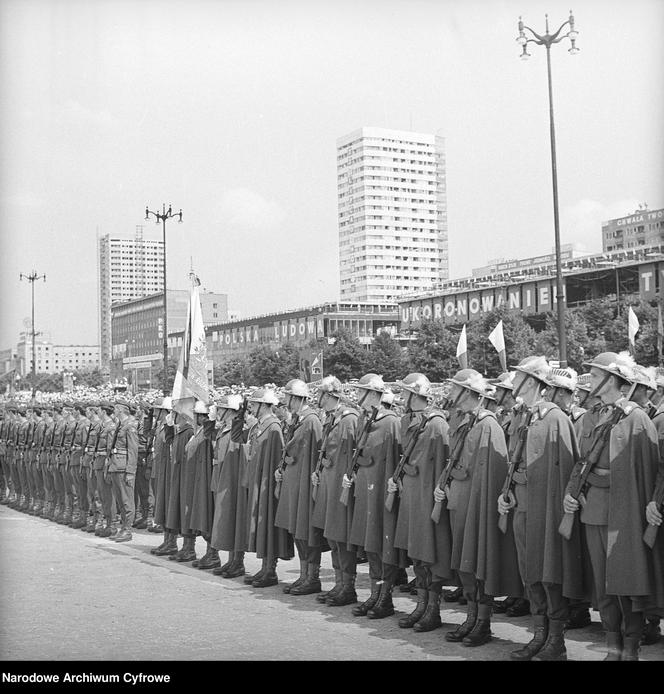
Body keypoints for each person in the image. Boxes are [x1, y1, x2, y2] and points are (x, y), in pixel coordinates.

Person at [564, 352, 664, 661]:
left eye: (595, 376)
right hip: (593, 507)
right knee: (603, 585)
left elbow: (649, 472)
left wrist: (648, 506)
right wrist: (571, 492)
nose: (590, 381)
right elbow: (581, 460)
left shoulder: (637, 419)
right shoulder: (595, 415)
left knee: (626, 582)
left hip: (626, 513)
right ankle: (613, 648)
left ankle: (631, 648)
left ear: (613, 380)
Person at [498, 355, 586, 661]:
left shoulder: (556, 418)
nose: (513, 384)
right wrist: (506, 491)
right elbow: (515, 461)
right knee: (530, 572)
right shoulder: (525, 416)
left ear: (534, 382)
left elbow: (567, 471)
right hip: (523, 505)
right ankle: (539, 634)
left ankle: (556, 641)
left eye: (520, 378)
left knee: (549, 573)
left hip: (547, 509)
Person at [436, 370, 522, 646]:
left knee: (477, 562)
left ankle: (482, 622)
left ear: (469, 393)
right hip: (460, 503)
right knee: (465, 566)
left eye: (456, 389)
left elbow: (489, 475)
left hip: (476, 506)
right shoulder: (469, 422)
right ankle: (471, 617)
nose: (451, 395)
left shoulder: (488, 425)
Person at [391, 372, 453, 632]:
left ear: (416, 395)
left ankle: (433, 609)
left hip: (428, 496)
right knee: (417, 553)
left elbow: (443, 462)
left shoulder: (437, 424)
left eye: (406, 392)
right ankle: (422, 604)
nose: (402, 396)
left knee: (430, 555)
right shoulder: (409, 420)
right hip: (412, 495)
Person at [347, 373, 403, 620]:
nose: (357, 395)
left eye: (360, 391)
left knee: (383, 544)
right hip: (367, 487)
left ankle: (385, 597)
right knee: (370, 545)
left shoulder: (391, 421)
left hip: (381, 489)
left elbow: (394, 458)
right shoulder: (365, 419)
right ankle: (374, 594)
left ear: (372, 393)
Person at [311, 376, 360, 607]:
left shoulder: (348, 419)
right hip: (329, 482)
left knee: (341, 536)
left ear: (329, 395)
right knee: (332, 535)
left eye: (320, 394)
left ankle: (347, 586)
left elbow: (353, 453)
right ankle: (339, 583)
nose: (317, 398)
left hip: (341, 485)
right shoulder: (332, 419)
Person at [274, 379, 325, 595]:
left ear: (298, 398)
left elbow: (315, 453)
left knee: (306, 531)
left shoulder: (311, 421)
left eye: (288, 397)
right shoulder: (298, 420)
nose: (286, 401)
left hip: (304, 482)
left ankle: (312, 577)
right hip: (294, 481)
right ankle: (304, 574)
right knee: (297, 529)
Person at [245, 388, 294, 587]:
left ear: (264, 405)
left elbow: (276, 458)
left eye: (255, 404)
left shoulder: (273, 426)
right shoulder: (261, 425)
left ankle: (270, 569)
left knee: (268, 526)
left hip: (268, 482)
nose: (252, 408)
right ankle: (265, 567)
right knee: (261, 524)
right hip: (259, 479)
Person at [210, 394, 249, 578]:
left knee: (234, 520)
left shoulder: (237, 428)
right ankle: (231, 560)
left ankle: (238, 561)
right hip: (222, 477)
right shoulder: (224, 428)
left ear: (230, 410)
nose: (218, 411)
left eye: (221, 408)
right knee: (226, 521)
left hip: (232, 480)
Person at [187, 400, 221, 570]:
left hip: (209, 479)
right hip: (200, 478)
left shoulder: (209, 431)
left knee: (208, 515)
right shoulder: (199, 431)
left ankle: (213, 553)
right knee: (203, 516)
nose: (197, 418)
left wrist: (210, 420)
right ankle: (209, 552)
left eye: (199, 415)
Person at [106, 398, 138, 543]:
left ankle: (128, 530)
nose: (114, 411)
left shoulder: (130, 427)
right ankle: (123, 527)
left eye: (116, 408)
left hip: (124, 467)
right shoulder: (120, 425)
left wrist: (131, 472)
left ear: (121, 410)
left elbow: (133, 450)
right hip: (115, 466)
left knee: (126, 501)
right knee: (120, 499)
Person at [166, 408, 195, 560]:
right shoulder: (180, 431)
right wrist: (168, 427)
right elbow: (169, 442)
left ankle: (189, 547)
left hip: (185, 476)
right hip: (178, 475)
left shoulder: (189, 432)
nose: (172, 416)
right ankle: (183, 546)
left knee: (185, 511)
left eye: (174, 413)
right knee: (178, 510)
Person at [95, 401, 117, 537]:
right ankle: (106, 522)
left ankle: (112, 524)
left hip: (105, 464)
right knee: (102, 495)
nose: (98, 412)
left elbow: (110, 449)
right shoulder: (102, 426)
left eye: (99, 410)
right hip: (99, 462)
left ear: (104, 411)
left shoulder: (111, 427)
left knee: (109, 496)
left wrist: (108, 466)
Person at [134, 402, 155, 531]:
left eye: (139, 409)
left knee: (148, 491)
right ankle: (144, 514)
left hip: (145, 457)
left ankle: (149, 517)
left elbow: (147, 441)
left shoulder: (147, 424)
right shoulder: (141, 423)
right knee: (141, 489)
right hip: (139, 456)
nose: (136, 411)